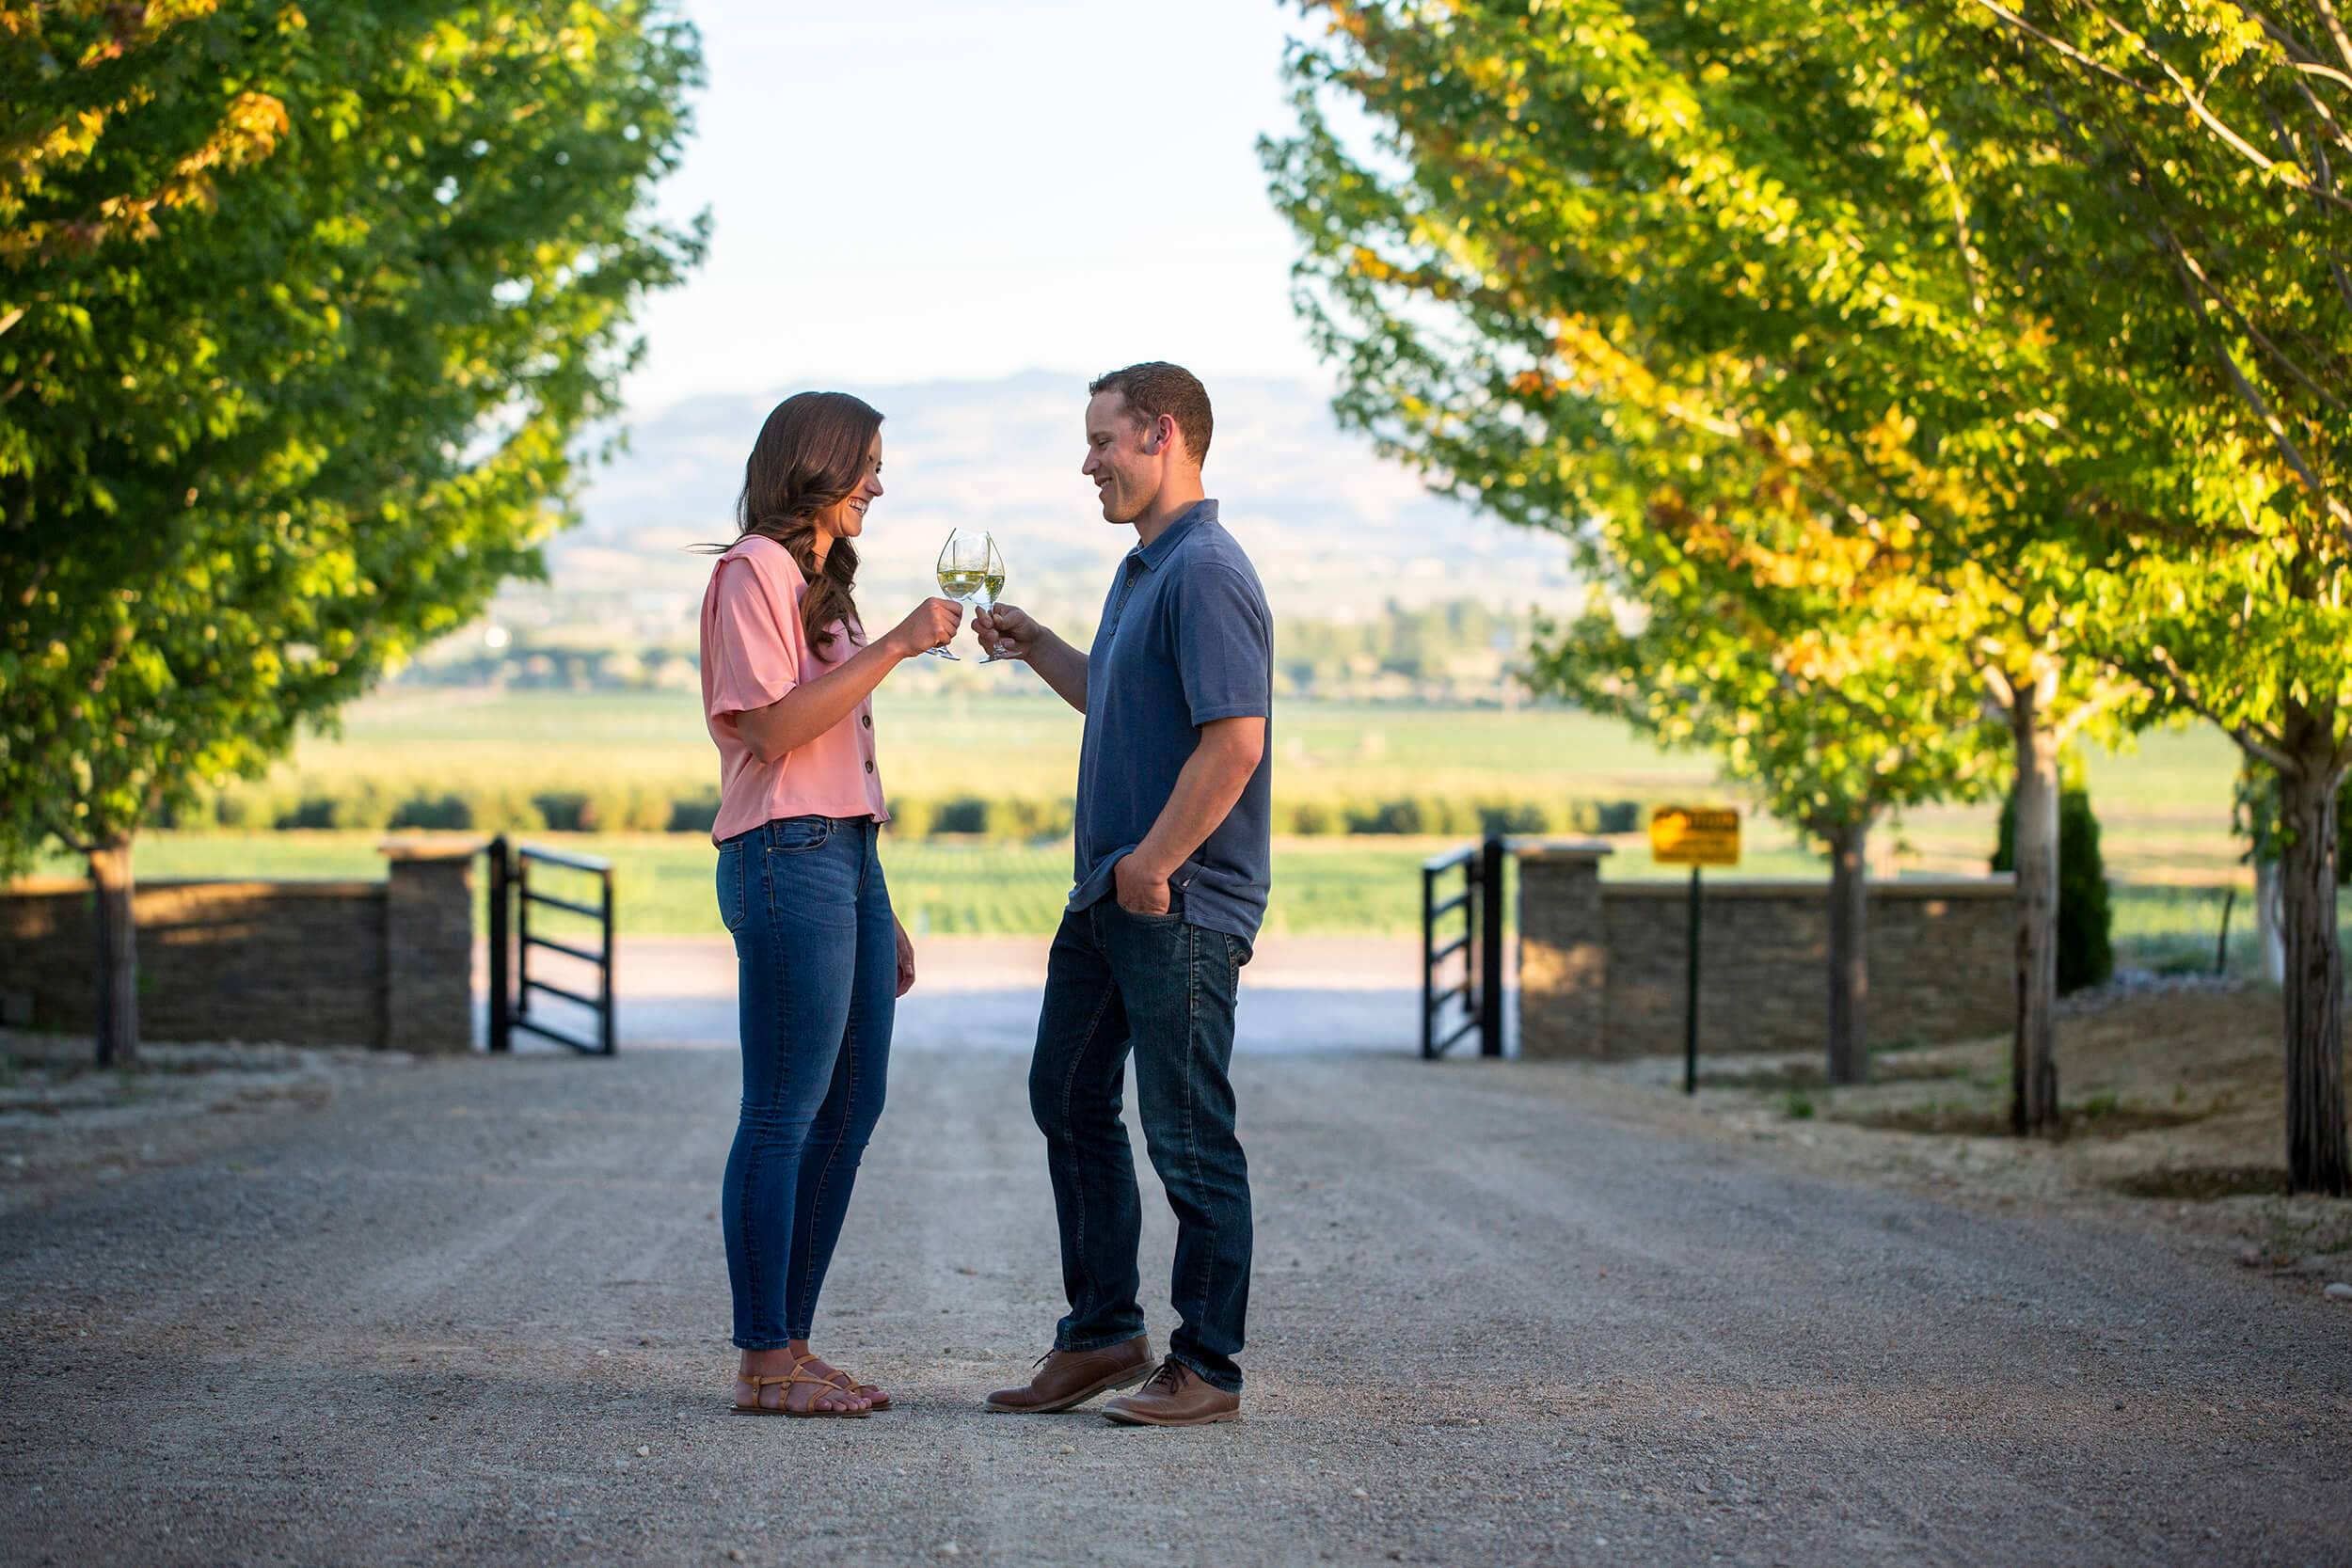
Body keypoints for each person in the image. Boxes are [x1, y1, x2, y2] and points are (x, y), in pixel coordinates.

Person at [976, 363, 1273, 1427]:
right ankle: (1103, 1329)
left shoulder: (1204, 569)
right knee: (1065, 1095)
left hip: (1173, 901)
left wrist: (1152, 862)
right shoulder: (1144, 568)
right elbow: (1120, 700)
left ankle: (1209, 1366)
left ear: (1159, 433)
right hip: (1108, 894)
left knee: (1189, 1132)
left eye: (1101, 440)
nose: (1087, 462)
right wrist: (1040, 646)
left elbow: (1234, 741)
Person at [699, 390, 961, 1418]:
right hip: (782, 854)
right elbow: (769, 732)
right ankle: (763, 1359)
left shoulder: (820, 585)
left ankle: (791, 1345)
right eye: (867, 465)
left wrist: (876, 894)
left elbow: (844, 753)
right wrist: (892, 644)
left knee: (853, 1104)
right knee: (783, 1109)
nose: (879, 484)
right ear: (814, 463)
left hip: (842, 853)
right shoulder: (750, 573)